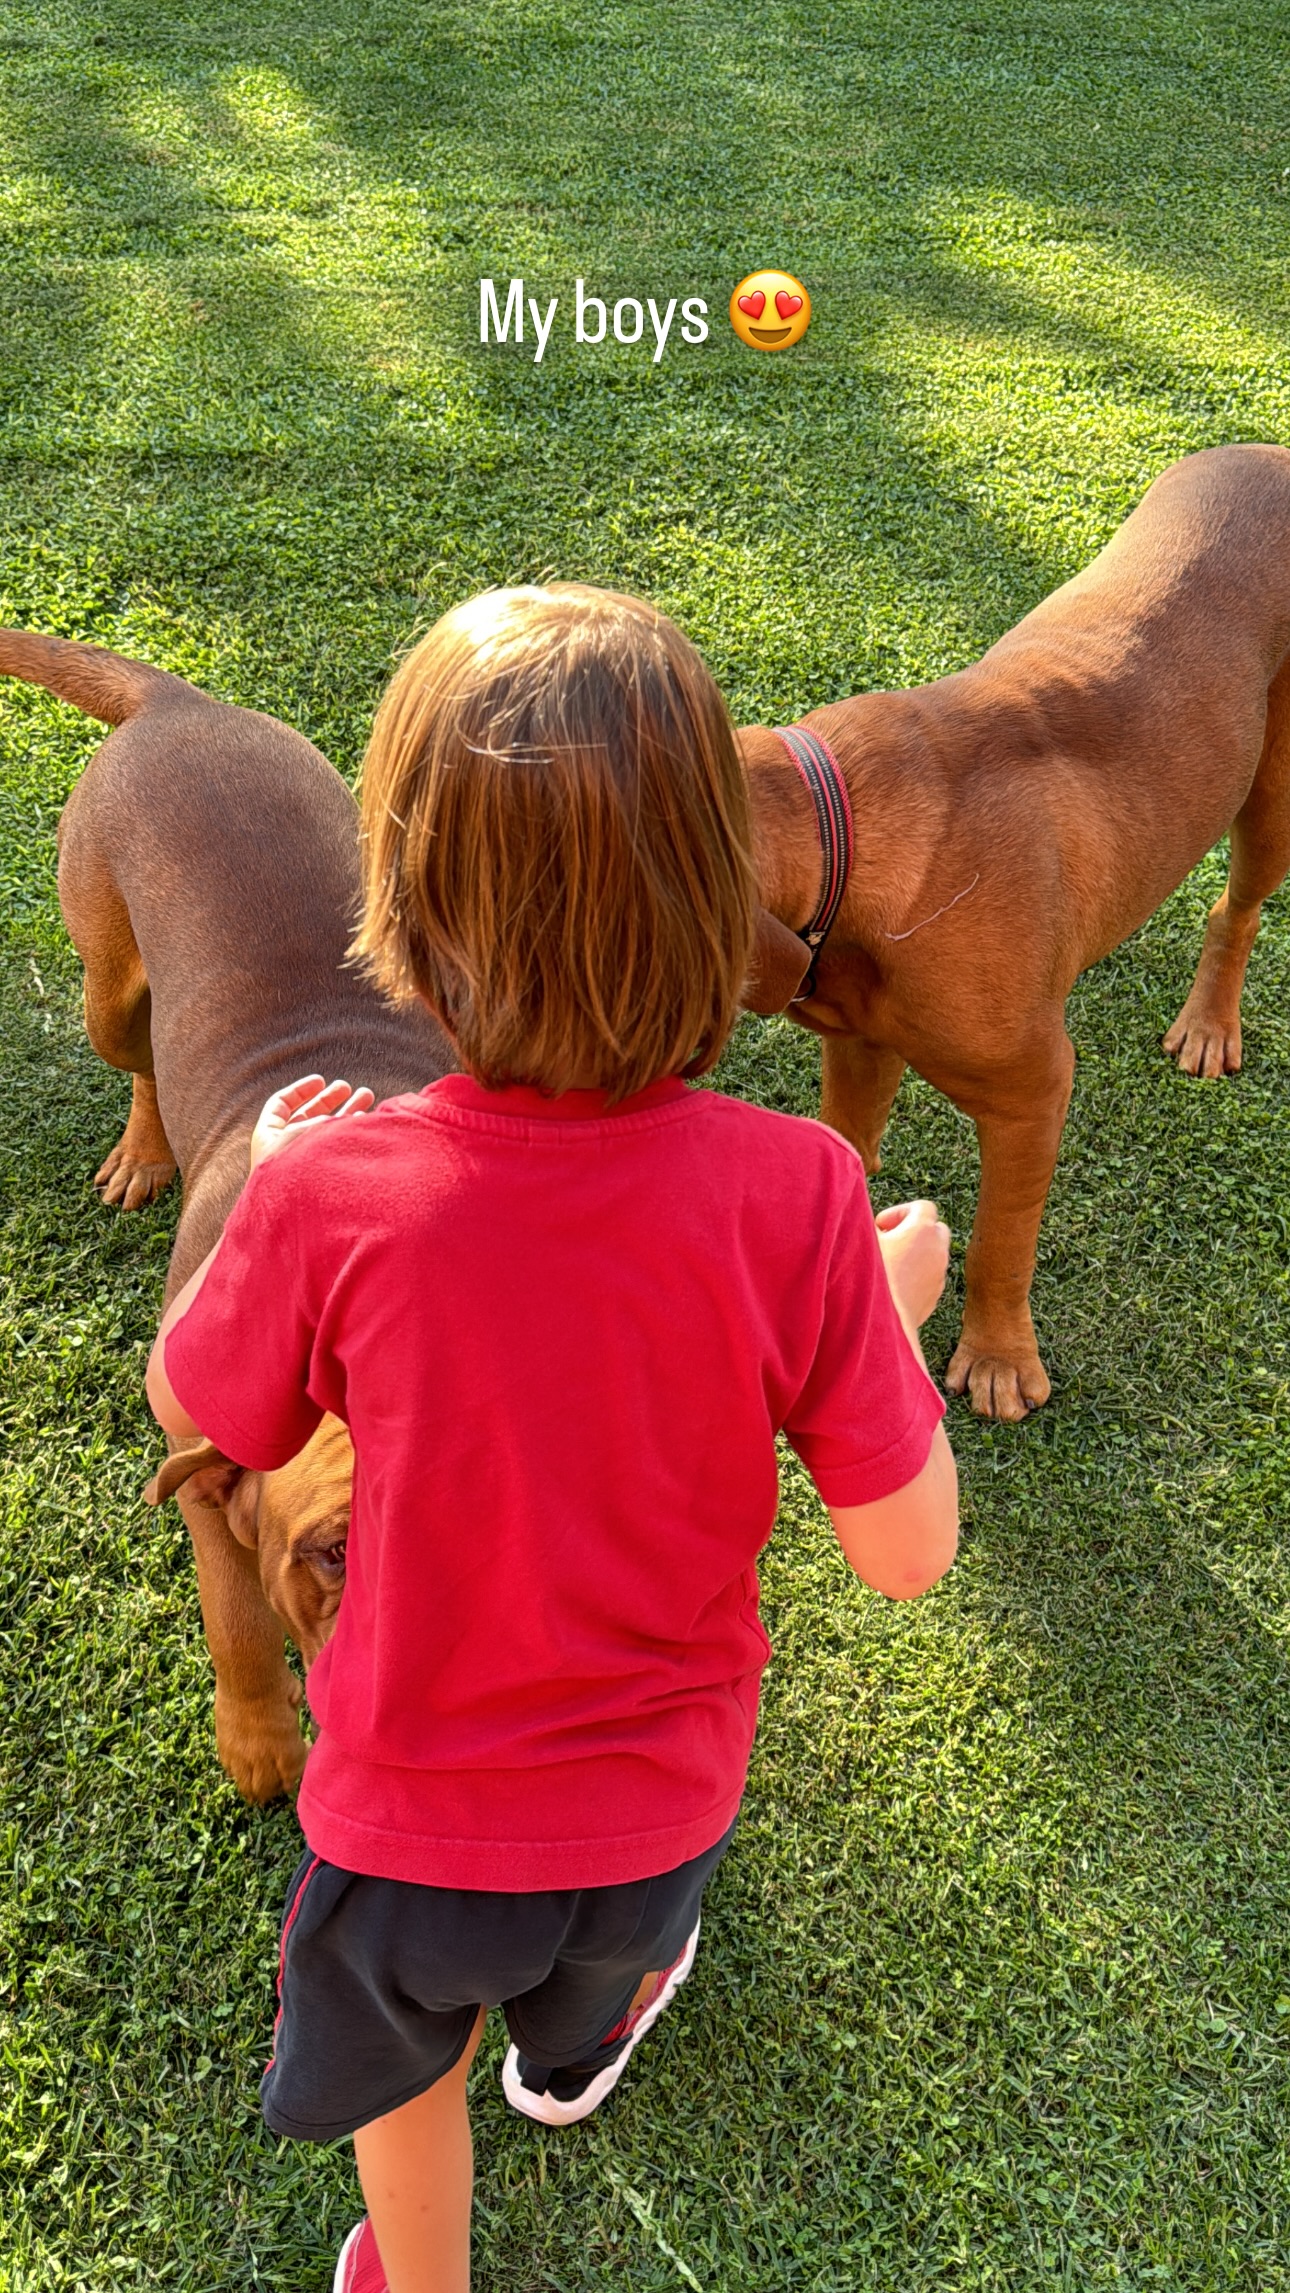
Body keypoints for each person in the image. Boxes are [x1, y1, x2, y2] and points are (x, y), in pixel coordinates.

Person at [146, 584, 958, 2293]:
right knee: (593, 1973)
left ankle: (420, 2280)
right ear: (712, 912)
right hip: (662, 1811)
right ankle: (581, 2052)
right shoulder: (800, 1192)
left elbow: (205, 1420)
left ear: (404, 914)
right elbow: (904, 1556)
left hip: (405, 1832)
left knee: (408, 2067)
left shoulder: (333, 1198)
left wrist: (277, 1197)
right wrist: (879, 1313)